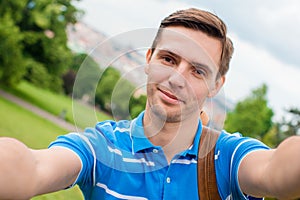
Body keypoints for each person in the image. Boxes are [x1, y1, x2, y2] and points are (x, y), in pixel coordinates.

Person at [1, 8, 300, 200]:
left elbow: (276, 170)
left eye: (198, 70)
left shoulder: (228, 157)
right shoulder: (103, 147)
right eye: (168, 59)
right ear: (149, 60)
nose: (176, 78)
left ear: (215, 86)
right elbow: (34, 167)